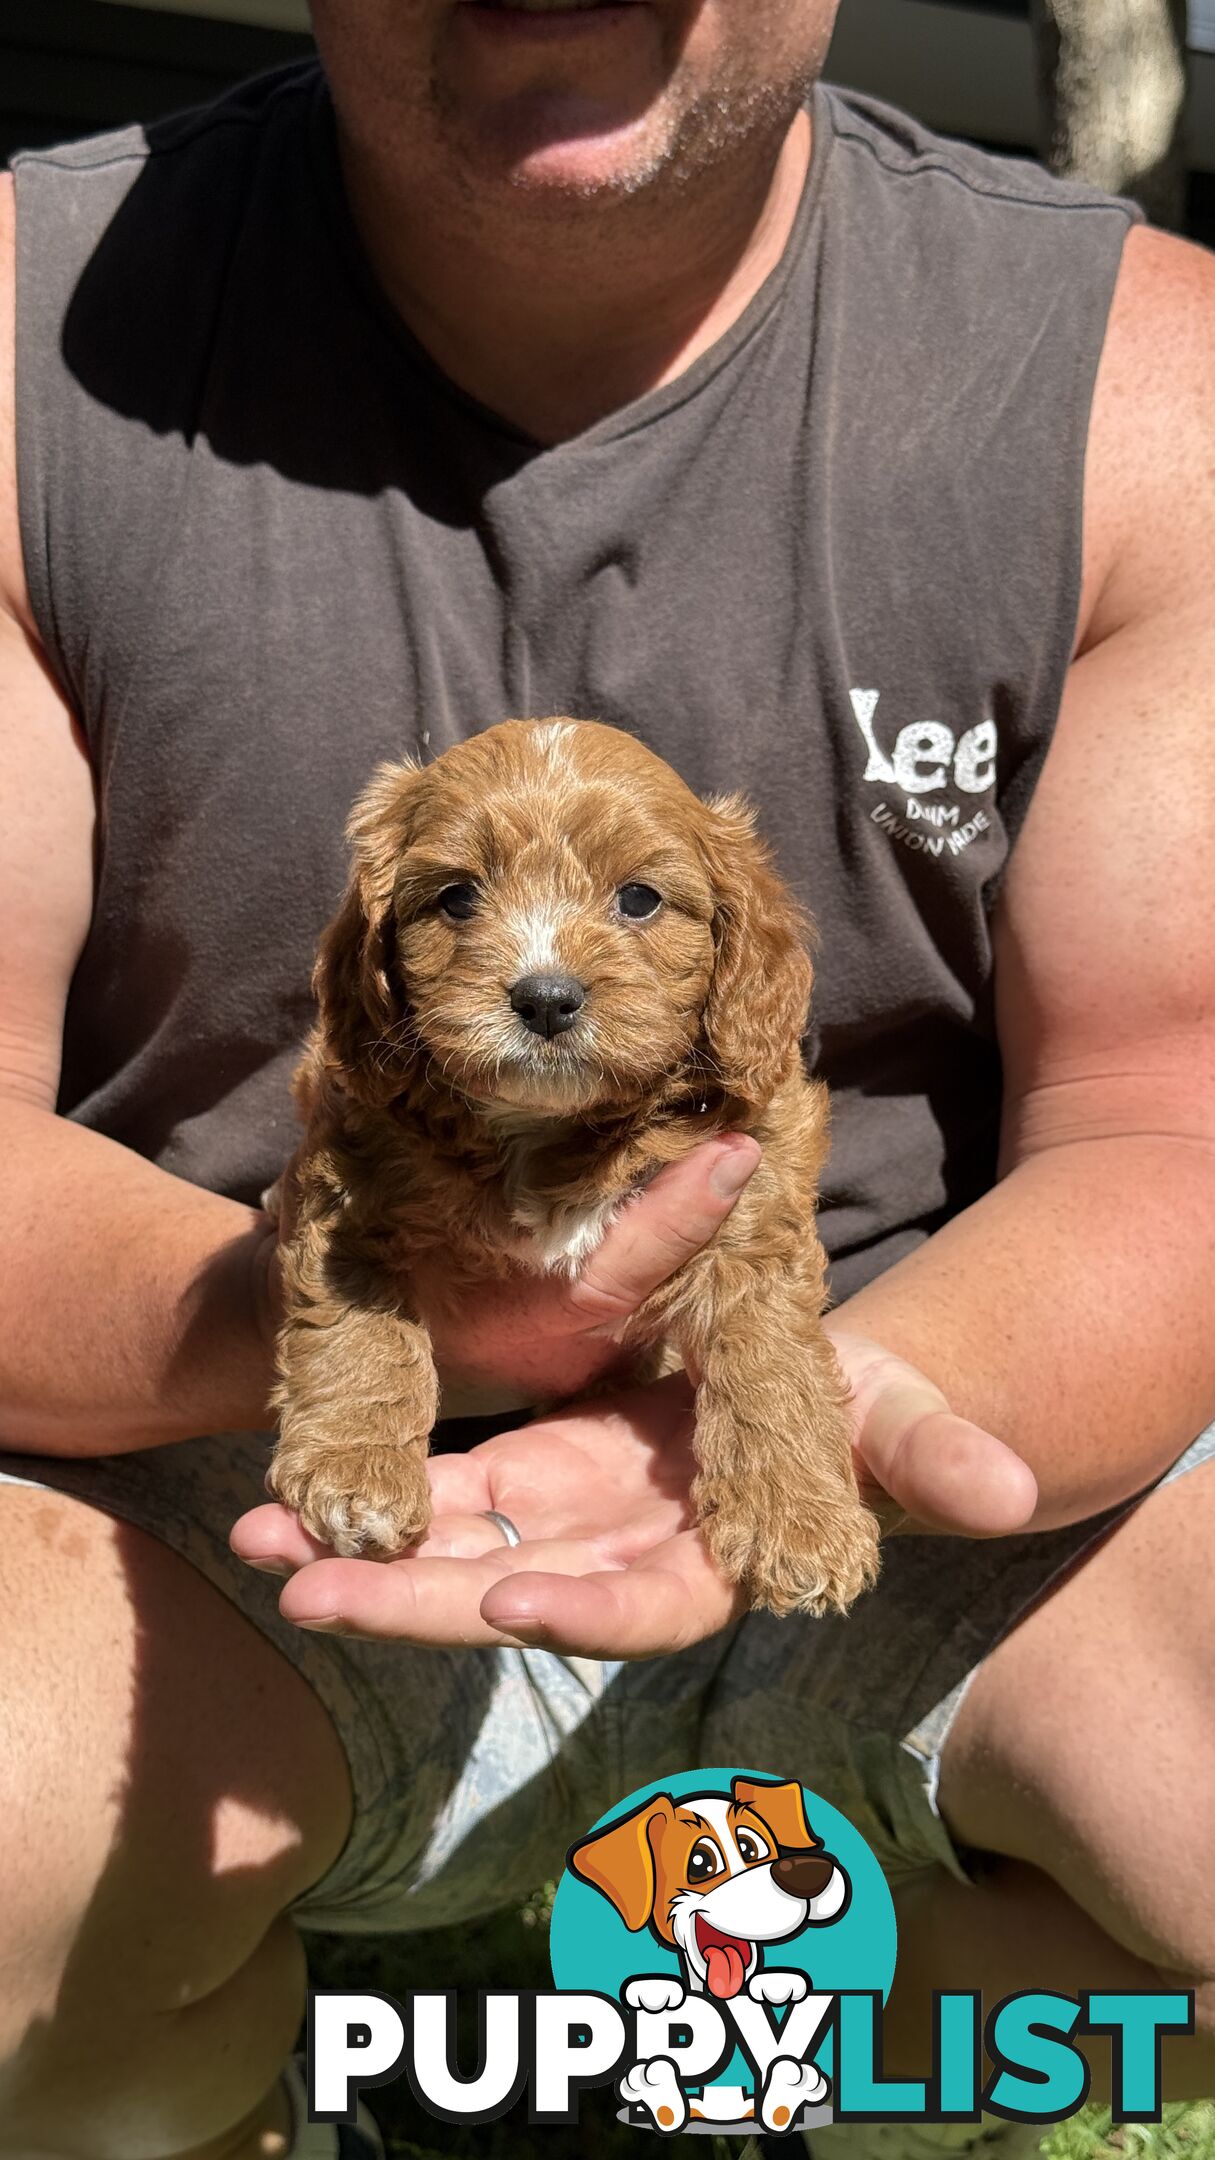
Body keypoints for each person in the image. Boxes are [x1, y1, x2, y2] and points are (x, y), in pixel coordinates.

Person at [0, 2, 1212, 2155]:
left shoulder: (1141, 378)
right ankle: (229, 2082)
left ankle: (733, 2083)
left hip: (920, 1447)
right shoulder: (26, 337)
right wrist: (325, 1318)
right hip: (229, 1509)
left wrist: (823, 1408)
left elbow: (1161, 1126)